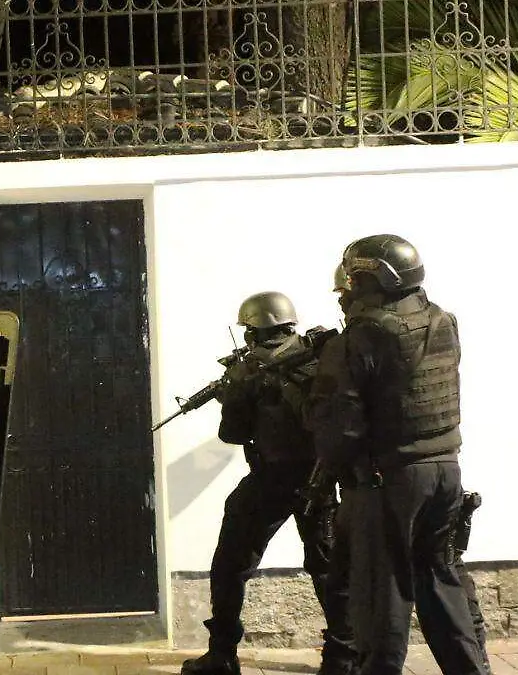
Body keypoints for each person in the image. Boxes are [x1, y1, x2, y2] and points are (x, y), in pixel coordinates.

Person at [306, 235, 486, 675]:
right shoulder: (443, 321)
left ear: (371, 279)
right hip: (445, 471)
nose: (346, 291)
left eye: (352, 281)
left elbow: (340, 428)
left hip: (387, 481)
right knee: (441, 583)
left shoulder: (357, 339)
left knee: (380, 598)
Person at [181, 292, 354, 675]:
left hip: (270, 480)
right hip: (319, 478)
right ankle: (343, 659)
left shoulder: (250, 368)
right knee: (329, 568)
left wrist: (233, 396)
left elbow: (232, 434)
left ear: (252, 331)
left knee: (230, 564)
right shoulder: (318, 355)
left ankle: (222, 654)